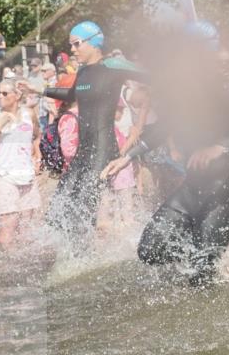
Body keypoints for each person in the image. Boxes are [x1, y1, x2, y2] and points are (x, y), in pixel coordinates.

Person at [102, 25, 229, 285]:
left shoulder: (224, 86)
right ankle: (202, 256)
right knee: (149, 250)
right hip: (190, 190)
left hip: (221, 194)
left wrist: (218, 147)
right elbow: (163, 128)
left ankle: (210, 265)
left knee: (202, 276)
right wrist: (128, 156)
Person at [20, 21, 147, 241]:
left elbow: (153, 76)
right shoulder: (84, 71)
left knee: (83, 206)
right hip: (84, 150)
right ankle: (73, 253)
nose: (72, 49)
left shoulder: (113, 65)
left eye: (76, 43)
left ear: (94, 42)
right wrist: (39, 89)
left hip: (103, 150)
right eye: (71, 44)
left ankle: (85, 254)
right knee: (59, 207)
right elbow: (71, 95)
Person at [0, 79, 41, 247]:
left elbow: (36, 134)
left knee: (27, 224)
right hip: (2, 174)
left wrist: (37, 154)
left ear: (17, 95)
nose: (0, 96)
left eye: (5, 93)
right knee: (9, 222)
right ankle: (7, 259)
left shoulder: (29, 113)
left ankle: (25, 259)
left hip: (26, 173)